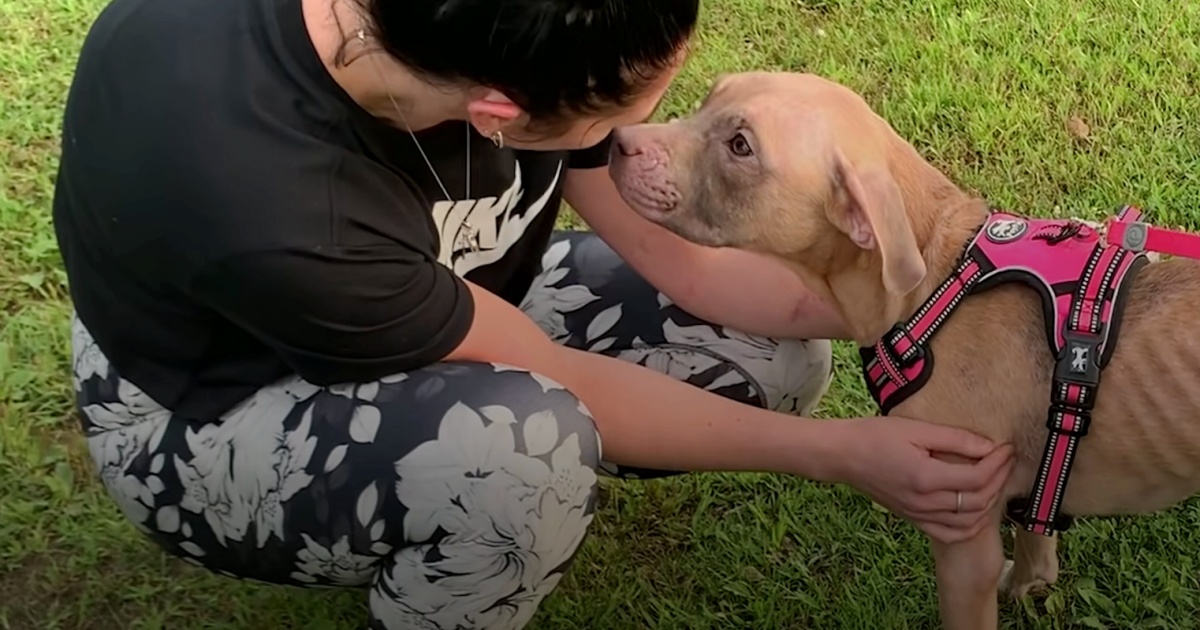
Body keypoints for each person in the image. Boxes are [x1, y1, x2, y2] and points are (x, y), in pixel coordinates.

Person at [52, 0, 1015, 627]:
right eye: (632, 109)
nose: (645, 131)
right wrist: (845, 453)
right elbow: (570, 382)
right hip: (210, 404)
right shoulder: (269, 200)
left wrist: (927, 313)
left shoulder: (517, 23)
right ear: (499, 113)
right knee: (525, 456)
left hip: (432, 294)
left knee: (777, 354)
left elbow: (684, 262)